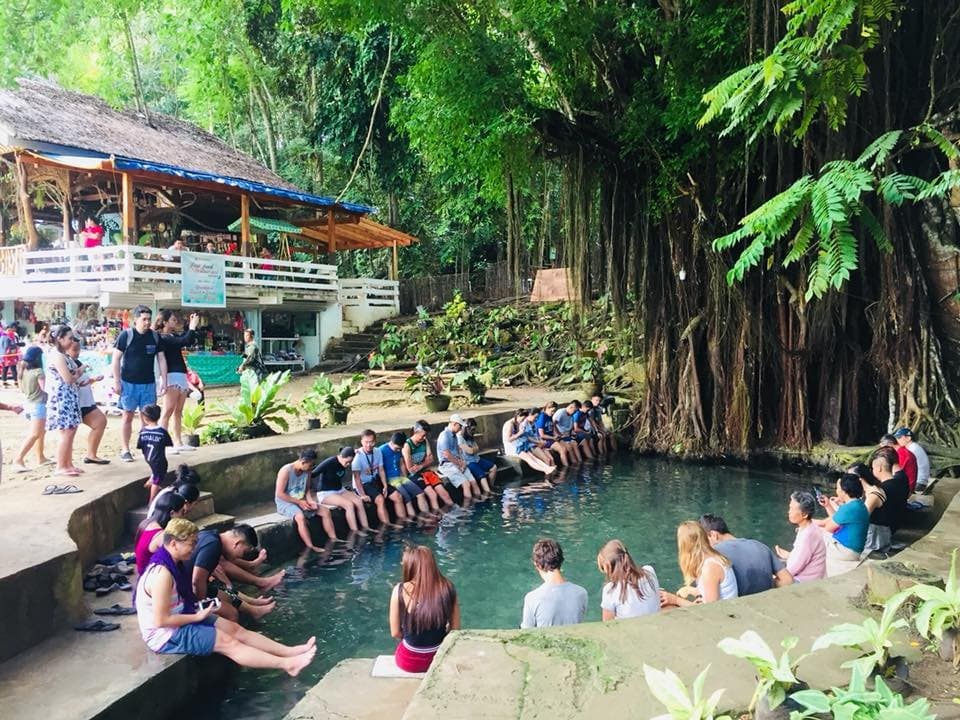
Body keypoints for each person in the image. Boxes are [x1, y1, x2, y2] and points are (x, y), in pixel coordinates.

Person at [136, 519, 316, 675]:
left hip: (184, 613)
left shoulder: (176, 562)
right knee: (228, 641)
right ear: (174, 544)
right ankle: (288, 665)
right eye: (191, 544)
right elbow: (161, 621)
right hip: (165, 635)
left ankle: (289, 651)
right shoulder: (162, 575)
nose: (194, 548)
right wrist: (197, 616)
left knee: (236, 629)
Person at [389, 545, 461, 672]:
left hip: (408, 661)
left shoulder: (399, 590)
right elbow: (455, 629)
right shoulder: (448, 587)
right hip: (438, 658)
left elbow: (395, 633)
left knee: (404, 645)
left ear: (409, 565)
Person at [187, 524, 279, 621]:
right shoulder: (213, 546)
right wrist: (203, 605)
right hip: (183, 594)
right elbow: (196, 581)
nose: (241, 557)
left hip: (187, 586)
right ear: (237, 543)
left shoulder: (210, 535)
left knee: (224, 593)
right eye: (244, 552)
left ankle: (254, 609)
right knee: (232, 613)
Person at [113, 305, 167, 463]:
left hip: (148, 383)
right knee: (127, 416)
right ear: (135, 319)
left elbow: (161, 359)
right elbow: (116, 359)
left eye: (149, 319)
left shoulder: (155, 337)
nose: (147, 322)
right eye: (144, 319)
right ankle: (125, 449)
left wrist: (164, 379)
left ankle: (146, 448)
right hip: (128, 383)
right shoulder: (126, 335)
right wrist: (117, 381)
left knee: (148, 418)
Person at [698, 513, 792, 595]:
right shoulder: (760, 546)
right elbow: (787, 580)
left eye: (704, 541)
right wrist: (768, 583)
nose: (704, 546)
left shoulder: (714, 554)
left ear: (713, 535)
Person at [660, 521, 738, 607]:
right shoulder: (713, 558)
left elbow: (710, 610)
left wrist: (675, 600)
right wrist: (693, 591)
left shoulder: (710, 567)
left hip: (723, 616)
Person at [155, 310, 200, 452]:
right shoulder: (162, 337)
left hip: (180, 373)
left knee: (178, 411)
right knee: (167, 410)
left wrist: (191, 327)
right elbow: (184, 340)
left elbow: (187, 339)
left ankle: (178, 442)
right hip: (171, 374)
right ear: (165, 322)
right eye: (173, 320)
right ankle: (163, 443)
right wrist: (192, 326)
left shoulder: (172, 335)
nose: (175, 322)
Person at [275, 449, 337, 551]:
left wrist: (311, 501)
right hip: (285, 502)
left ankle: (333, 538)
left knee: (326, 511)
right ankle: (310, 546)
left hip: (301, 500)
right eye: (310, 465)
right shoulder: (286, 471)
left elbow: (307, 490)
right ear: (303, 462)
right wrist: (299, 502)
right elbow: (280, 494)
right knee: (300, 517)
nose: (311, 468)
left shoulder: (307, 472)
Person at [520, 538, 588, 628]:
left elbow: (526, 633)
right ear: (561, 561)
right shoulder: (581, 593)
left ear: (537, 564)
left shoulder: (532, 598)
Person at [814, 473, 870, 577]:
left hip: (845, 551)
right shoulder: (859, 504)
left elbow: (828, 528)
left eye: (838, 488)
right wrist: (828, 506)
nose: (837, 491)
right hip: (854, 551)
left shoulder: (848, 508)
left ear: (844, 491)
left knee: (812, 533)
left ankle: (799, 561)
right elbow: (837, 520)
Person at [46, 325, 83, 477]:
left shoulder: (64, 355)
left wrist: (76, 374)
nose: (71, 341)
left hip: (68, 396)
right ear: (60, 339)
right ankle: (61, 465)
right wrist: (78, 374)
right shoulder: (58, 356)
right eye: (69, 338)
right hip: (62, 397)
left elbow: (71, 375)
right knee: (66, 432)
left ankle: (68, 463)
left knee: (71, 430)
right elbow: (68, 378)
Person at [68, 340, 110, 465]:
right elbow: (73, 381)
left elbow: (82, 382)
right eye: (74, 350)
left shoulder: (77, 362)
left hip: (86, 401)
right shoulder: (68, 364)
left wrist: (93, 379)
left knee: (100, 422)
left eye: (78, 350)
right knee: (68, 434)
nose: (77, 352)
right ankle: (67, 463)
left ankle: (91, 454)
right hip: (77, 403)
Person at [596, 539, 660, 620]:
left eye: (603, 568)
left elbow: (608, 625)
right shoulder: (649, 571)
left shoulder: (610, 590)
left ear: (609, 567)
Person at [353, 429, 405, 525]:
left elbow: (381, 470)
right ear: (361, 442)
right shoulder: (357, 456)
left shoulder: (377, 451)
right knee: (380, 499)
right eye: (366, 442)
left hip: (375, 480)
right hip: (364, 484)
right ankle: (387, 526)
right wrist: (362, 494)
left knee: (398, 496)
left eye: (371, 442)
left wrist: (385, 485)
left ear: (375, 441)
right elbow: (356, 478)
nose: (369, 445)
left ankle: (403, 523)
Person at [311, 447, 369, 533]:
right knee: (349, 505)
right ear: (341, 457)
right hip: (326, 493)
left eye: (350, 462)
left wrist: (356, 451)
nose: (348, 464)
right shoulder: (329, 462)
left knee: (358, 501)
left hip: (339, 490)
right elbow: (313, 473)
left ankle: (366, 528)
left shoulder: (346, 458)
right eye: (347, 462)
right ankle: (355, 531)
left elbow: (352, 450)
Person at [12, 345, 51, 472]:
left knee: (41, 431)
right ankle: (18, 459)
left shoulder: (23, 371)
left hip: (28, 403)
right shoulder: (39, 371)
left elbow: (22, 390)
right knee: (35, 434)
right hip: (38, 404)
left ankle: (41, 457)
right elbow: (45, 389)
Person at [774, 491, 827, 582]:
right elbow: (804, 557)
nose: (789, 512)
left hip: (805, 581)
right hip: (815, 576)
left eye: (792, 509)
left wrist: (774, 577)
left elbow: (792, 570)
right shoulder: (810, 527)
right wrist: (790, 556)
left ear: (805, 514)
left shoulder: (807, 536)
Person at [402, 421, 453, 510]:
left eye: (426, 435)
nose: (425, 437)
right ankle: (438, 518)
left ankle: (455, 513)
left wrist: (421, 466)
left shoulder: (425, 441)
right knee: (432, 495)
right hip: (415, 476)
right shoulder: (407, 445)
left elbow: (431, 458)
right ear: (416, 432)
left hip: (426, 471)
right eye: (423, 435)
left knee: (445, 494)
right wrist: (425, 462)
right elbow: (411, 469)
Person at [135, 490, 186, 575]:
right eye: (182, 512)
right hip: (152, 579)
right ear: (172, 513)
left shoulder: (146, 523)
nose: (183, 516)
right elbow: (177, 560)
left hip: (144, 574)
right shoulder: (162, 536)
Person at [381, 432, 430, 516]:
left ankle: (426, 514)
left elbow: (401, 464)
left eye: (400, 448)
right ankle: (412, 520)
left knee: (420, 493)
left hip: (400, 477)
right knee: (407, 497)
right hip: (390, 480)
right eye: (397, 448)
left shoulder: (399, 449)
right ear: (391, 443)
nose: (398, 450)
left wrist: (405, 477)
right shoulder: (381, 450)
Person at [847, 462, 889, 553]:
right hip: (872, 533)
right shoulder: (866, 491)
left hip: (876, 538)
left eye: (851, 477)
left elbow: (860, 519)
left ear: (860, 478)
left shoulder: (873, 494)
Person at [438, 415, 482, 500]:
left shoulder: (454, 436)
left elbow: (458, 451)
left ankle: (480, 504)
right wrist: (459, 464)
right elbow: (446, 454)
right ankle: (467, 508)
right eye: (460, 426)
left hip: (457, 463)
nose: (461, 428)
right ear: (454, 424)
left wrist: (462, 462)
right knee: (466, 484)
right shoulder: (444, 435)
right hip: (447, 465)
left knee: (473, 482)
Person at [869, 448, 910, 536]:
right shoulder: (898, 483)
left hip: (880, 534)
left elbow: (862, 516)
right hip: (893, 527)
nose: (872, 471)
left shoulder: (882, 490)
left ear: (879, 468)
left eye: (873, 468)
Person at [138, 404, 174, 503]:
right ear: (159, 416)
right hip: (159, 459)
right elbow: (168, 443)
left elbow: (140, 445)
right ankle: (151, 501)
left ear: (145, 418)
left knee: (156, 472)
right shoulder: (162, 432)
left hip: (148, 457)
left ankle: (152, 479)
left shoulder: (142, 432)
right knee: (157, 480)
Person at [501, 410, 556, 474]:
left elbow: (522, 436)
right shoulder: (509, 424)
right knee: (529, 459)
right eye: (523, 418)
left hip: (519, 445)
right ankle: (545, 469)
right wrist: (520, 433)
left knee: (533, 457)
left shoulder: (517, 422)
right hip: (512, 448)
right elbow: (508, 439)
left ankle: (547, 468)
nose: (523, 420)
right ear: (518, 416)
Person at [458, 418, 497, 490]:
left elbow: (477, 448)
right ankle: (488, 492)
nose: (474, 432)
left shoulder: (470, 437)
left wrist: (473, 449)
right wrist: (473, 449)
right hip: (469, 462)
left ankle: (491, 487)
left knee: (493, 467)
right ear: (467, 429)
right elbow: (470, 451)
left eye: (474, 429)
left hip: (477, 459)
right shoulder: (460, 438)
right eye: (472, 430)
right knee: (482, 476)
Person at [536, 401, 575, 465]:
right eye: (552, 411)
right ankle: (566, 467)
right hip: (545, 440)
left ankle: (572, 465)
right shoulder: (542, 417)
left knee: (569, 447)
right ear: (547, 408)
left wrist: (558, 435)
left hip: (552, 438)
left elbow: (552, 428)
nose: (553, 413)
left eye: (554, 411)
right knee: (563, 450)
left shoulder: (549, 416)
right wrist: (553, 437)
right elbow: (542, 435)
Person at [894, 428, 931, 492]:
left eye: (899, 437)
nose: (897, 440)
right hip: (920, 481)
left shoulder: (912, 449)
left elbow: (901, 468)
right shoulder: (913, 447)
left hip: (918, 483)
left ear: (908, 438)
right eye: (897, 438)